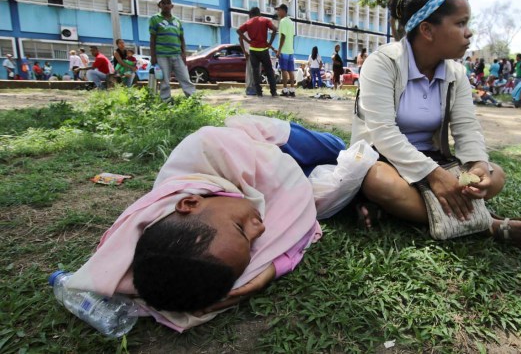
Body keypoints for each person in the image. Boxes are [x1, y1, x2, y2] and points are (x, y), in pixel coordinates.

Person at [65, 115, 346, 331]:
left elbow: (291, 191)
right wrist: (267, 274)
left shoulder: (209, 150)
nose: (260, 230)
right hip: (285, 179)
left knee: (337, 148)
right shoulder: (212, 240)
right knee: (342, 175)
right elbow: (292, 229)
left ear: (190, 203)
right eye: (251, 244)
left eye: (240, 228)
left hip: (273, 143)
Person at [351, 0, 521, 250]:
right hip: (384, 159)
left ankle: (395, 211)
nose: (469, 33)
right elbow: (383, 134)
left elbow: (467, 128)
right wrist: (435, 176)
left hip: (434, 159)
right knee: (378, 181)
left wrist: (477, 165)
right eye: (461, 23)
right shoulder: (383, 62)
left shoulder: (456, 73)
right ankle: (489, 224)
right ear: (427, 30)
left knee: (495, 175)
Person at [149, 0, 197, 102]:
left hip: (177, 54)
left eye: (168, 3)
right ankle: (166, 101)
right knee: (164, 80)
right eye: (163, 3)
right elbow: (152, 39)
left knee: (185, 78)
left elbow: (181, 38)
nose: (166, 5)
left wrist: (184, 53)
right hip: (162, 55)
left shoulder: (177, 21)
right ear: (159, 5)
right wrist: (153, 56)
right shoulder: (155, 19)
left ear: (172, 6)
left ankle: (194, 99)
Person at [237, 7, 279, 97]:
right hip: (263, 50)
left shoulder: (248, 22)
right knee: (269, 71)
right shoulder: (265, 20)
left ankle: (259, 92)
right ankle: (273, 92)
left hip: (253, 50)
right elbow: (275, 29)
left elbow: (238, 31)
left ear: (251, 15)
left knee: (255, 72)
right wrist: (270, 43)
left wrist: (249, 41)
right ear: (259, 13)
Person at [275, 4, 296, 97]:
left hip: (284, 50)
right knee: (291, 70)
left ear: (283, 11)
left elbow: (283, 36)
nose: (277, 12)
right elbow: (292, 36)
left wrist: (279, 50)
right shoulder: (291, 22)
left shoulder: (283, 21)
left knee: (284, 70)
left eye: (278, 10)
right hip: (290, 50)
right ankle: (292, 89)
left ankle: (285, 89)